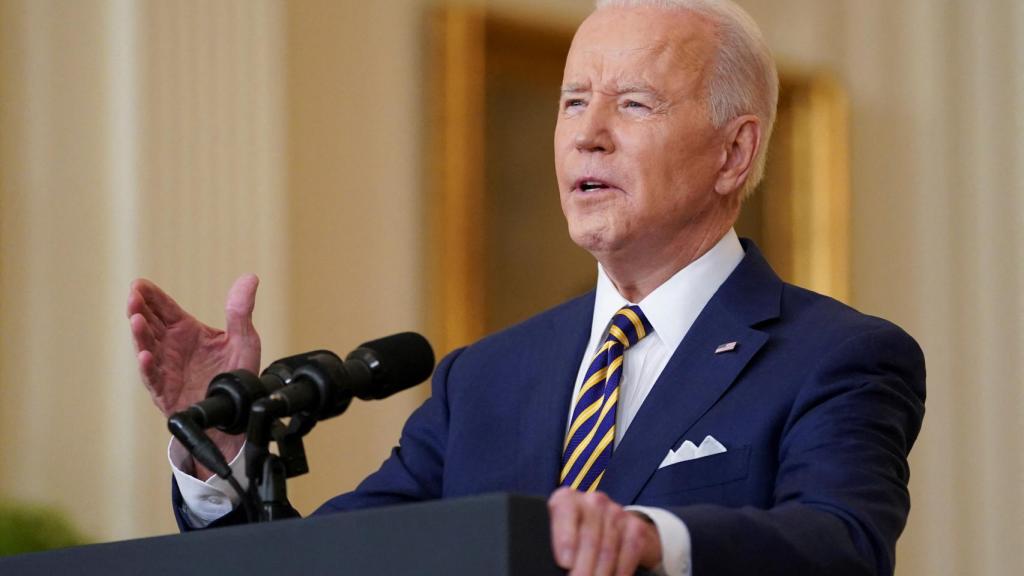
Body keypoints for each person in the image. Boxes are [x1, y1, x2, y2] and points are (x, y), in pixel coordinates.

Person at [127, 1, 926, 575]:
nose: (588, 132)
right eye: (573, 101)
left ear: (733, 154)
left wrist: (654, 540)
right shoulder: (486, 378)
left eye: (634, 103)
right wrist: (224, 451)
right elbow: (327, 562)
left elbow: (843, 543)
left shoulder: (837, 357)